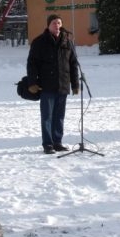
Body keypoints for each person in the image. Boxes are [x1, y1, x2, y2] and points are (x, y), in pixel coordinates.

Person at [26, 14, 80, 153]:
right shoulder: (39, 42)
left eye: (59, 23)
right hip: (47, 86)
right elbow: (32, 64)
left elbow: (73, 64)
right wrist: (32, 82)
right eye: (54, 23)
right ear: (48, 25)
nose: (57, 26)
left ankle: (57, 142)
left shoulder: (67, 42)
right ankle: (48, 144)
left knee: (59, 116)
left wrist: (75, 84)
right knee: (47, 117)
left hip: (62, 85)